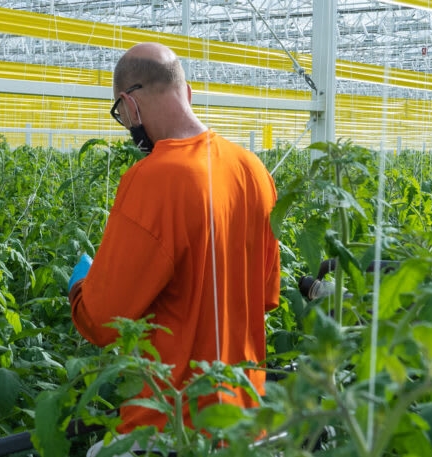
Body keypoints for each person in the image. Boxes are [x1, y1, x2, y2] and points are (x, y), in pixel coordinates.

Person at [67, 42, 281, 445]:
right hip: (245, 422)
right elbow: (265, 297)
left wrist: (81, 287)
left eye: (120, 113)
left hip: (172, 428)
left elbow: (102, 320)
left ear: (129, 105)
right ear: (187, 92)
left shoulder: (153, 179)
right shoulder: (255, 171)